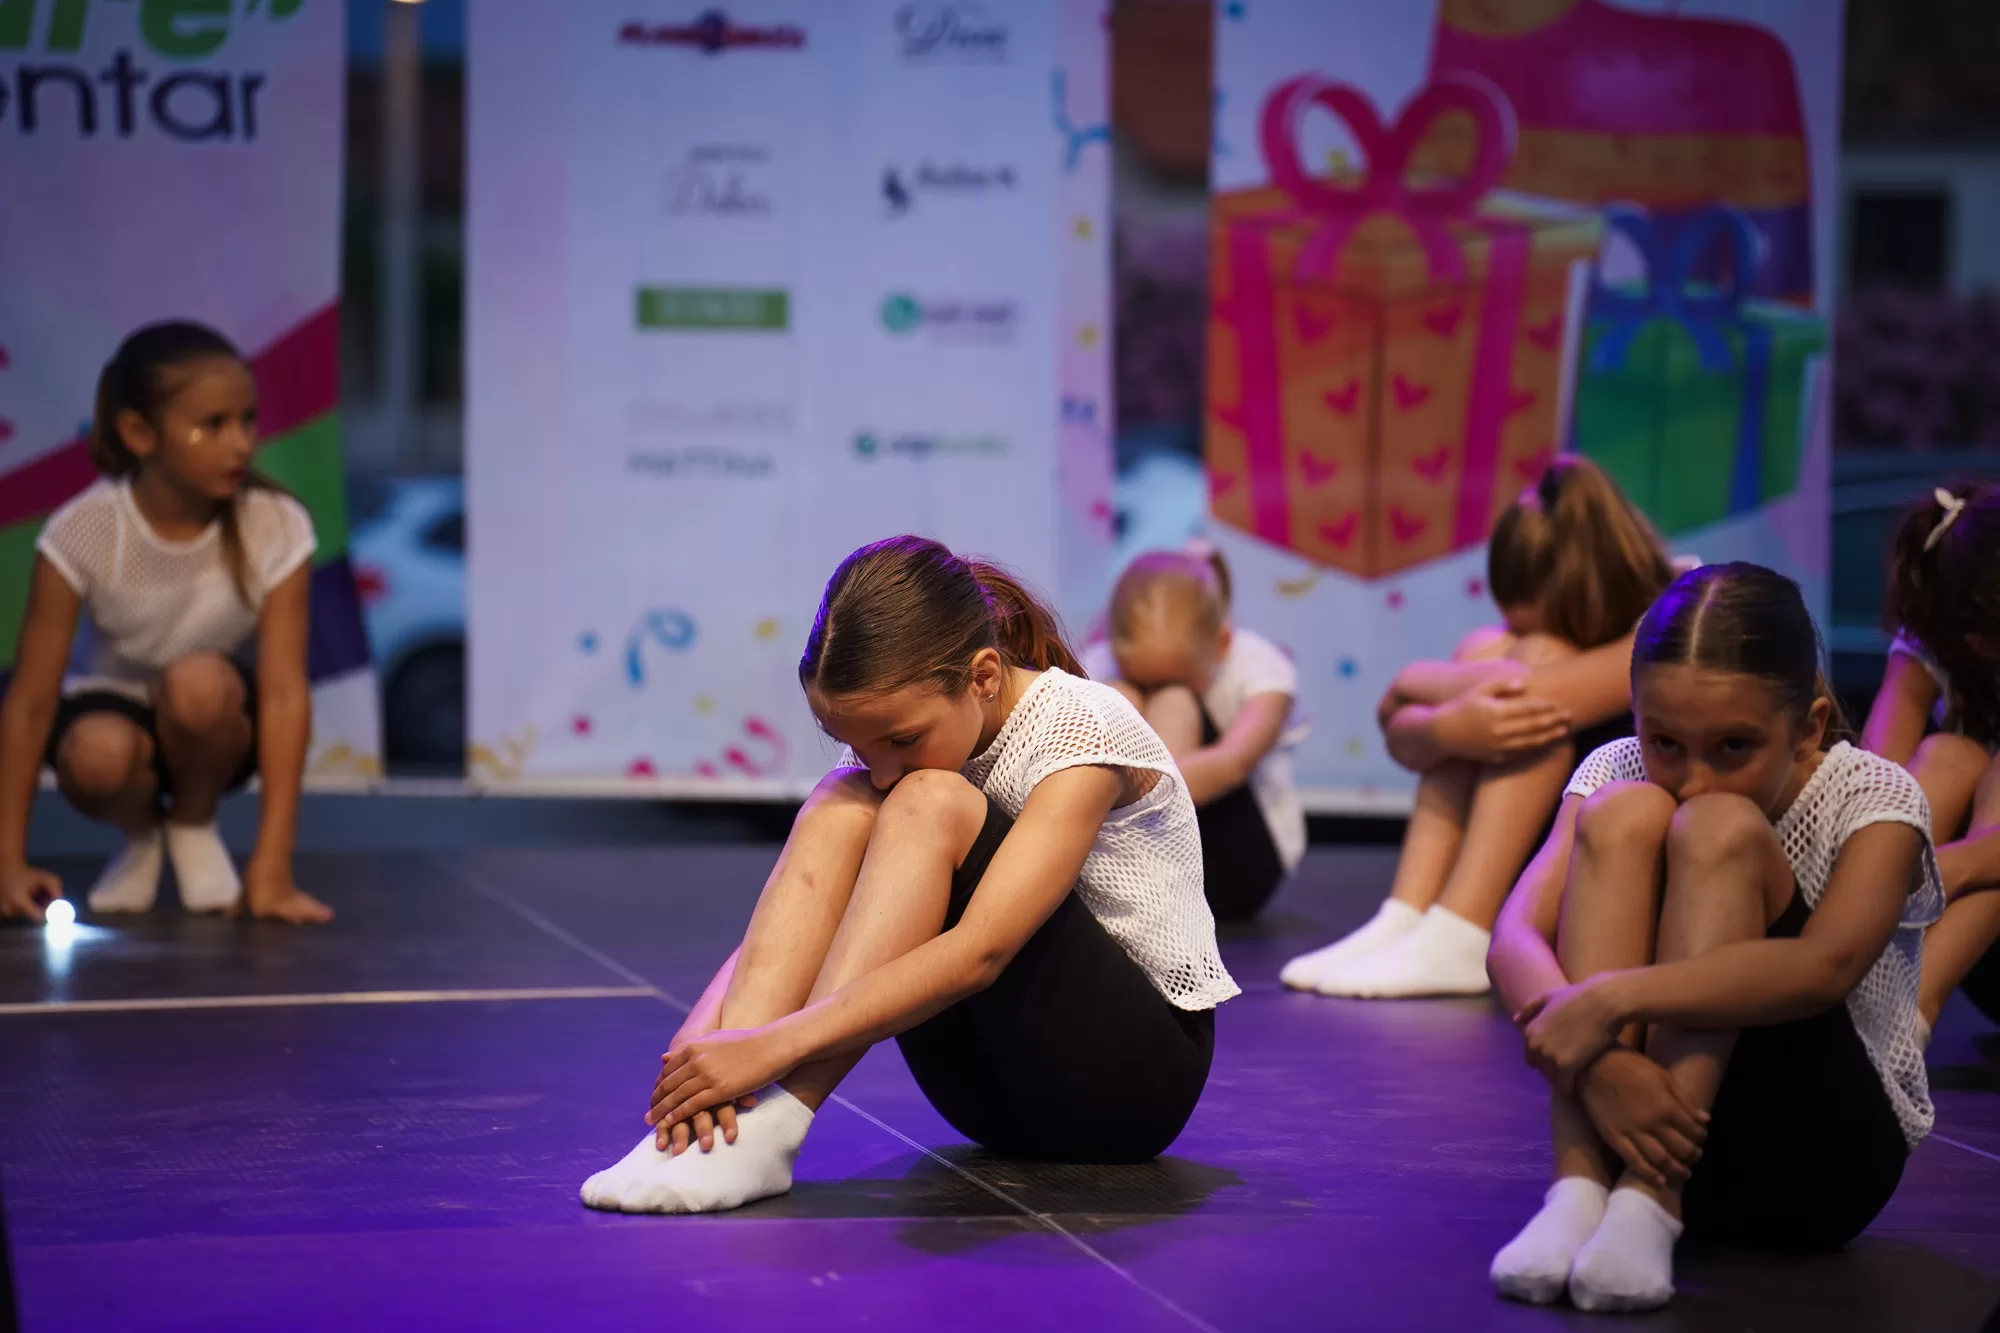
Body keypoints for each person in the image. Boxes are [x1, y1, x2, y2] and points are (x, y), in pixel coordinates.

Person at [579, 535, 1237, 1214]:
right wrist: (703, 1047)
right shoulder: (894, 750)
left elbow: (983, 950)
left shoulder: (1082, 726)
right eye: (860, 744)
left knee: (927, 798)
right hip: (989, 1097)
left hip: (1125, 1086)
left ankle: (778, 1119)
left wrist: (771, 1047)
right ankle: (722, 1122)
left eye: (900, 739)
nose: (883, 766)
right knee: (841, 803)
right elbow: (801, 914)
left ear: (983, 676)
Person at [1486, 562, 1938, 1312]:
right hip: (1627, 1114)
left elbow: (1823, 968)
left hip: (1811, 1152)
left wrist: (1610, 1000)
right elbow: (1512, 936)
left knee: (1717, 826)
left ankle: (1651, 1199)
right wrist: (1602, 1064)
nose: (1693, 778)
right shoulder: (1619, 769)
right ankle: (1580, 1188)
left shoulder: (1874, 793)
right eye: (1665, 741)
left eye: (1733, 747)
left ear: (1809, 726)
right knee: (1623, 812)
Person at [1284, 456, 1676, 998]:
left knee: (1529, 669)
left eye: (1532, 620)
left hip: (1604, 840)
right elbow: (1400, 736)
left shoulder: (1668, 620)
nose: (1513, 631)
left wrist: (1411, 683)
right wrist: (1447, 729)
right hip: (1531, 837)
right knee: (1483, 650)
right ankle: (1409, 914)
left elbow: (1529, 695)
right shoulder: (1526, 633)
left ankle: (1466, 928)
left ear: (1589, 597)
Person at [0, 322, 331, 924]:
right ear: (138, 433)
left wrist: (272, 865)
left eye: (247, 420)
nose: (240, 444)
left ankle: (193, 820)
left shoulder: (275, 524)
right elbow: (29, 703)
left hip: (214, 720)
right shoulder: (84, 530)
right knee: (97, 756)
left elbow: (284, 694)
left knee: (197, 684)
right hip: (111, 709)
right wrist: (6, 862)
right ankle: (142, 832)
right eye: (213, 425)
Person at [1082, 541, 1307, 921]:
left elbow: (1234, 761)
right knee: (1116, 696)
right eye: (1143, 679)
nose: (1154, 693)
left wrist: (1123, 789)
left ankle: (1150, 876)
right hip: (1127, 855)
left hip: (1237, 857)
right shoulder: (1101, 664)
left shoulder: (1259, 667)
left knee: (1175, 702)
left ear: (1222, 644)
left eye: (1181, 677)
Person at [1861, 483, 2000, 1038]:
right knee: (1948, 756)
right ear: (1980, 645)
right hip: (1972, 941)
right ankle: (1859, 991)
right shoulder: (1936, 642)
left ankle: (1902, 1024)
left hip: (1958, 891)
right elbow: (1873, 784)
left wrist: (1951, 865)